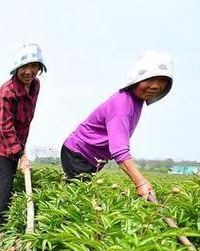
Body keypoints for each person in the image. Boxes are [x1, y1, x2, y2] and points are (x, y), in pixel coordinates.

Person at [61, 51, 173, 199]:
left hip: (90, 157)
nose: (156, 86)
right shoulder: (122, 104)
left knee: (81, 196)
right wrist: (140, 182)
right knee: (79, 200)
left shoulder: (136, 101)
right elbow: (119, 150)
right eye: (150, 79)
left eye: (162, 80)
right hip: (78, 153)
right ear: (137, 78)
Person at [0, 41, 47, 233]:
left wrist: (22, 149)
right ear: (16, 69)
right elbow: (4, 126)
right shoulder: (8, 92)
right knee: (4, 183)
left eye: (34, 66)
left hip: (17, 140)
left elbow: (24, 121)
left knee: (7, 181)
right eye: (24, 67)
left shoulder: (35, 85)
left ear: (39, 68)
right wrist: (21, 155)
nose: (29, 72)